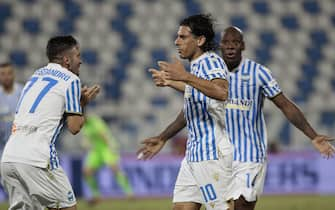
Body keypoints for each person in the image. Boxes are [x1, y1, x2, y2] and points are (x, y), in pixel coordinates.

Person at [150, 26, 335, 210]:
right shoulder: (209, 74)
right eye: (226, 43)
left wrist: (313, 136)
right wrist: (163, 137)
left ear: (243, 46)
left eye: (235, 42)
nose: (230, 47)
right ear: (219, 45)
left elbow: (285, 105)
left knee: (240, 206)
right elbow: (191, 111)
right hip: (218, 155)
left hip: (249, 155)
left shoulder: (258, 73)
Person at [138, 14, 233, 210]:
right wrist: (163, 137)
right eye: (177, 36)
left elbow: (222, 92)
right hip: (194, 154)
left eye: (183, 37)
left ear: (200, 40)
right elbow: (190, 111)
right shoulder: (196, 68)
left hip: (212, 154)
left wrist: (185, 77)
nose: (176, 41)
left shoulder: (211, 62)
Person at [0, 35, 100, 210]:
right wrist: (82, 104)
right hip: (37, 158)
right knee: (68, 208)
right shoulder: (71, 80)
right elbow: (75, 128)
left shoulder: (35, 76)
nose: (81, 61)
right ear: (67, 60)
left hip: (9, 157)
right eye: (78, 56)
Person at [82, 114, 133, 204]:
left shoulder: (95, 121)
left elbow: (103, 135)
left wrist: (111, 147)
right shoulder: (83, 126)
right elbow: (88, 139)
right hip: (96, 150)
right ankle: (96, 196)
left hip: (107, 147)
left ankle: (129, 193)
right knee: (87, 172)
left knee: (115, 169)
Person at [0, 62, 23, 159]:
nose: (6, 77)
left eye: (9, 73)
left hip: (21, 147)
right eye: (3, 74)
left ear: (14, 74)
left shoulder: (23, 92)